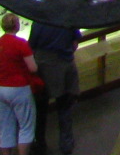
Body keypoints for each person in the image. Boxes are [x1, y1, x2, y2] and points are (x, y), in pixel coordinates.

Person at [0, 15, 37, 155]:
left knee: (5, 127)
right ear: (17, 25)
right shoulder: (21, 44)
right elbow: (33, 68)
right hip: (19, 88)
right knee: (26, 126)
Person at [26, 23, 77, 155]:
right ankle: (66, 145)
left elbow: (31, 46)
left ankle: (40, 144)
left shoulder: (39, 22)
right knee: (65, 108)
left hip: (43, 71)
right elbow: (74, 44)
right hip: (65, 69)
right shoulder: (68, 20)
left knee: (40, 110)